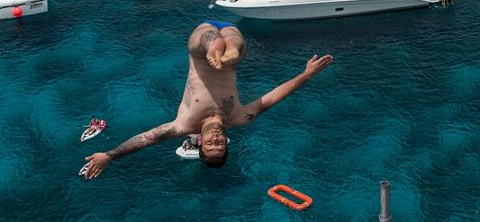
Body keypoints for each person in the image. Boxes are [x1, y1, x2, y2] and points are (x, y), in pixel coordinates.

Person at [84, 22, 333, 178]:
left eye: (210, 145)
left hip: (200, 48)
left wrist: (110, 155)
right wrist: (306, 75)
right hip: (231, 52)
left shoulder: (183, 124)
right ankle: (229, 50)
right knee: (235, 47)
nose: (215, 140)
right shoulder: (238, 118)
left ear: (200, 142)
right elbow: (271, 99)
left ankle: (218, 49)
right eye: (220, 145)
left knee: (212, 41)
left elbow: (146, 139)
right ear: (226, 142)